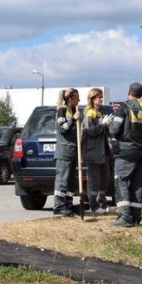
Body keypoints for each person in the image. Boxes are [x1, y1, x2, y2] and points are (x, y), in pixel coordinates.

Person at [108, 82, 142, 227]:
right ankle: (135, 217)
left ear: (129, 93)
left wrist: (108, 124)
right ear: (141, 94)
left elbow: (114, 130)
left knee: (121, 182)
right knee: (137, 184)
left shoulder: (124, 107)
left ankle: (125, 217)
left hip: (125, 150)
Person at [81, 88, 114, 215]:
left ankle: (103, 203)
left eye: (101, 97)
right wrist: (103, 125)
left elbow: (104, 132)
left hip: (103, 150)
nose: (101, 99)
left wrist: (108, 129)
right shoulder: (90, 113)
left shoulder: (100, 112)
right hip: (93, 151)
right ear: (92, 99)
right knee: (94, 180)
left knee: (104, 178)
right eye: (98, 97)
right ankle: (93, 206)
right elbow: (90, 132)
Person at [53, 88, 81, 217]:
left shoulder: (73, 110)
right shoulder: (62, 110)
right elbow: (62, 129)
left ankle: (68, 205)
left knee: (71, 181)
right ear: (70, 99)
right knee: (62, 180)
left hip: (73, 151)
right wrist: (72, 120)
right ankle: (59, 206)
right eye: (77, 98)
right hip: (64, 151)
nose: (79, 100)